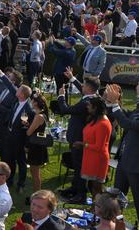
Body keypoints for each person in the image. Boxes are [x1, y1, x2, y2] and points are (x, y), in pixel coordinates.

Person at [54, 75, 100, 204]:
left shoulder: (86, 103)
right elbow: (83, 89)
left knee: (79, 166)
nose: (82, 87)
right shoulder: (92, 97)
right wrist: (73, 78)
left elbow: (65, 109)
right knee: (76, 164)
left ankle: (80, 194)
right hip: (77, 137)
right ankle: (75, 188)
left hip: (79, 139)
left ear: (89, 88)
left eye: (84, 85)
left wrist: (61, 96)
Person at [106, 83, 139, 217]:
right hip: (124, 161)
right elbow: (126, 115)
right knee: (116, 199)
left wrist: (115, 104)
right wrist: (110, 102)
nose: (137, 87)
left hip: (136, 166)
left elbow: (129, 124)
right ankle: (114, 223)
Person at [75, 97, 112, 204]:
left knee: (96, 188)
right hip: (90, 157)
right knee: (92, 187)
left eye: (89, 106)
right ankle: (95, 209)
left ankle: (99, 209)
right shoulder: (96, 119)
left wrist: (83, 144)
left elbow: (99, 147)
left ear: (95, 108)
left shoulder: (103, 124)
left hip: (98, 160)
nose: (87, 107)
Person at [5, 84, 34, 194]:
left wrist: (25, 144)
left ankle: (21, 184)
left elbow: (25, 127)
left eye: (19, 90)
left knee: (21, 162)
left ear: (22, 94)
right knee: (10, 160)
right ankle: (10, 180)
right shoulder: (17, 102)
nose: (16, 90)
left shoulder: (27, 109)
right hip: (11, 136)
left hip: (19, 140)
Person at [26, 93, 50, 192]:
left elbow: (29, 132)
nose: (31, 102)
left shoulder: (38, 116)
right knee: (34, 171)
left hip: (36, 147)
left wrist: (27, 126)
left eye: (32, 100)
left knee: (35, 173)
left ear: (35, 103)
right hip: (39, 145)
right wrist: (29, 124)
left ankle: (36, 193)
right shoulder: (42, 115)